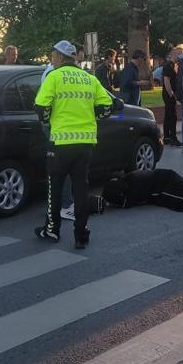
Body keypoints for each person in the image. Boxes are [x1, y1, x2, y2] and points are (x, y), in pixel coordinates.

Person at [34, 40, 112, 248]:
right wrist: (92, 116)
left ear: (59, 57)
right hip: (85, 143)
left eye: (52, 56)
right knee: (80, 189)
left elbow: (41, 107)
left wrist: (48, 121)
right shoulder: (89, 78)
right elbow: (107, 107)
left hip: (60, 143)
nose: (52, 60)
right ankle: (80, 235)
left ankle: (52, 229)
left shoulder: (54, 76)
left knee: (55, 188)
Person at [162, 46, 183, 146]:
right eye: (179, 54)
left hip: (170, 94)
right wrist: (171, 94)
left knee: (168, 115)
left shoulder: (174, 65)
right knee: (172, 116)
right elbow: (166, 81)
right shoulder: (168, 66)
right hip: (168, 94)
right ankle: (172, 138)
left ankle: (166, 137)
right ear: (173, 54)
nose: (180, 56)